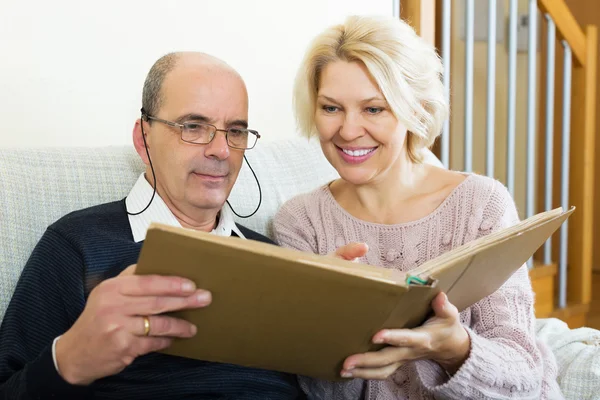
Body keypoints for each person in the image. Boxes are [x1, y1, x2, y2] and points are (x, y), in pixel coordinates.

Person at [0, 51, 362, 399]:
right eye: (194, 126)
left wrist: (331, 320)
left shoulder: (273, 258)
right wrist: (68, 361)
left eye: (235, 132)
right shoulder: (77, 245)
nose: (221, 150)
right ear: (144, 139)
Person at [273, 15, 564, 399]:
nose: (347, 130)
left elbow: (524, 377)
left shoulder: (479, 205)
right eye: (331, 108)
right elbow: (315, 389)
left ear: (415, 109)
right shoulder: (301, 222)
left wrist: (455, 348)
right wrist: (329, 321)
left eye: (373, 109)